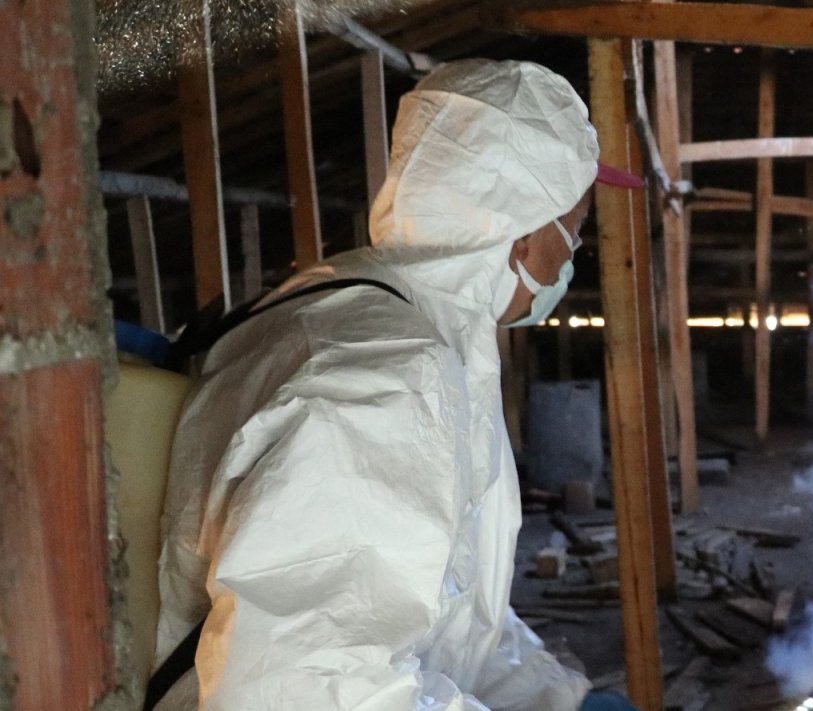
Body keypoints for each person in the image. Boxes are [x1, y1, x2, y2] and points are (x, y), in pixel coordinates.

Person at [152, 59, 641, 711]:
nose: (572, 254)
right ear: (523, 234)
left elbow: (451, 617)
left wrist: (556, 699)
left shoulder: (372, 306)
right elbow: (298, 688)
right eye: (574, 229)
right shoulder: (387, 378)